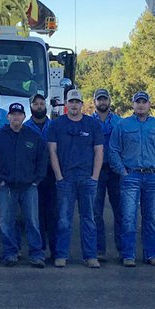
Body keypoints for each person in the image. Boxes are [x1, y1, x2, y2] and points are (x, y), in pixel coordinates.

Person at [107, 91, 155, 267]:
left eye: (144, 102)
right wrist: (122, 171)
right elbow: (113, 150)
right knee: (128, 217)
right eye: (138, 102)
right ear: (133, 105)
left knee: (150, 218)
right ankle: (128, 255)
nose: (141, 105)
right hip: (131, 176)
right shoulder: (122, 125)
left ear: (149, 104)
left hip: (152, 176)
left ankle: (150, 254)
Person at [47, 89, 104, 268]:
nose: (74, 105)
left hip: (87, 178)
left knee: (89, 219)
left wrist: (95, 177)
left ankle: (90, 256)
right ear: (67, 104)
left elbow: (99, 152)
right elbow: (52, 151)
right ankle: (61, 255)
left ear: (82, 104)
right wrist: (59, 176)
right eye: (70, 102)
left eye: (77, 102)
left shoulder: (92, 125)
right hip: (66, 178)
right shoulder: (56, 125)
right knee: (64, 219)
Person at [0, 103, 48, 268]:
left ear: (24, 116)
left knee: (32, 221)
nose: (16, 117)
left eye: (19, 114)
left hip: (29, 187)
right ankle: (10, 253)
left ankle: (36, 254)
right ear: (8, 117)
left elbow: (42, 160)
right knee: (6, 222)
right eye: (13, 114)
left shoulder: (33, 136)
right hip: (6, 186)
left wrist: (37, 180)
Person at [90, 88, 124, 260]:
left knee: (120, 211)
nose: (102, 102)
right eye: (99, 99)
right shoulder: (88, 122)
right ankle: (99, 250)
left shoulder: (119, 122)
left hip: (115, 171)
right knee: (96, 212)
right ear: (94, 101)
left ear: (110, 101)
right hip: (96, 171)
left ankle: (123, 250)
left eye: (105, 99)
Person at [28, 91, 58, 261]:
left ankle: (56, 252)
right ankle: (38, 252)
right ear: (31, 107)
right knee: (35, 216)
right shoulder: (25, 127)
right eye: (35, 104)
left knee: (53, 215)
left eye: (41, 104)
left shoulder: (54, 125)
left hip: (52, 175)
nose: (39, 107)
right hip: (32, 178)